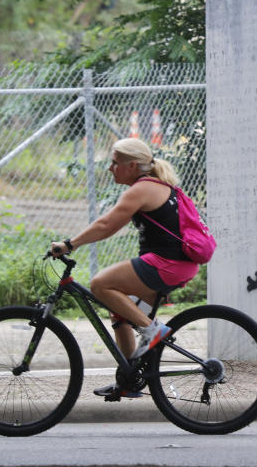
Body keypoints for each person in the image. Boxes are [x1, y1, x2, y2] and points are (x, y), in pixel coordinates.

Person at [49, 137, 199, 397]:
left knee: (100, 284)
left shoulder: (143, 189)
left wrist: (69, 244)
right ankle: (129, 380)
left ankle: (153, 331)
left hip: (167, 264)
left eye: (114, 163)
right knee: (118, 310)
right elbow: (110, 226)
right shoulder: (153, 186)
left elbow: (107, 225)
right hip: (176, 265)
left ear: (131, 166)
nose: (110, 168)